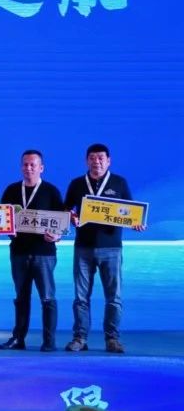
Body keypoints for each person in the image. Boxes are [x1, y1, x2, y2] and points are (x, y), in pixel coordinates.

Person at [63, 143, 141, 354]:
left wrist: (136, 222)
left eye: (100, 158)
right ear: (86, 161)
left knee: (114, 297)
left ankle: (112, 339)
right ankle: (80, 338)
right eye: (92, 158)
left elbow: (131, 211)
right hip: (83, 248)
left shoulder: (119, 182)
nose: (96, 162)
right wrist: (71, 216)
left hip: (112, 249)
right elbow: (66, 209)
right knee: (81, 298)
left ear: (108, 161)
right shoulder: (77, 184)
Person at [1, 150, 65, 351]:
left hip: (44, 253)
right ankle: (18, 339)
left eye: (33, 165)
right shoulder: (12, 190)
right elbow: (2, 218)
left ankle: (49, 341)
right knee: (21, 297)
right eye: (25, 164)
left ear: (41, 168)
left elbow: (62, 222)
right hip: (18, 252)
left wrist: (57, 236)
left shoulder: (51, 191)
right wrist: (6, 230)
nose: (28, 168)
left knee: (47, 297)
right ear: (21, 167)